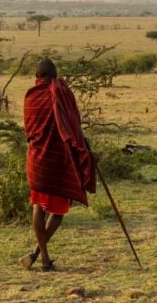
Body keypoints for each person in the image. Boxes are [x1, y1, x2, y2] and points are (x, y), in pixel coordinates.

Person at [20, 58, 97, 271]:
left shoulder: (30, 96)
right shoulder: (60, 92)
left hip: (36, 158)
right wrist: (85, 151)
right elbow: (72, 126)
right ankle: (43, 258)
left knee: (39, 205)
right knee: (59, 210)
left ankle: (39, 255)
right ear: (54, 75)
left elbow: (29, 130)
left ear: (37, 77)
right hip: (57, 159)